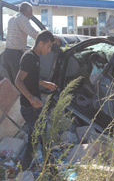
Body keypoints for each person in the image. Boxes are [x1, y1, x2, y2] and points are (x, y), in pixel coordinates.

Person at [15, 30, 57, 171]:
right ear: (40, 43)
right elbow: (18, 81)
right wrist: (31, 98)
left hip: (34, 106)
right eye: (49, 46)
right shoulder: (29, 58)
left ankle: (22, 170)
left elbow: (31, 79)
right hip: (30, 107)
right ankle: (53, 171)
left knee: (33, 142)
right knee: (44, 138)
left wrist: (44, 83)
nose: (49, 49)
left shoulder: (35, 56)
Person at [4, 2, 39, 84]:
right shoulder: (22, 19)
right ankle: (23, 96)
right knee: (20, 82)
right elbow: (34, 33)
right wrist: (48, 37)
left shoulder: (12, 18)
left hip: (8, 53)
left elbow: (16, 39)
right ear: (25, 11)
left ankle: (15, 96)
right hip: (16, 54)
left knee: (13, 82)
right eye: (31, 12)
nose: (31, 14)